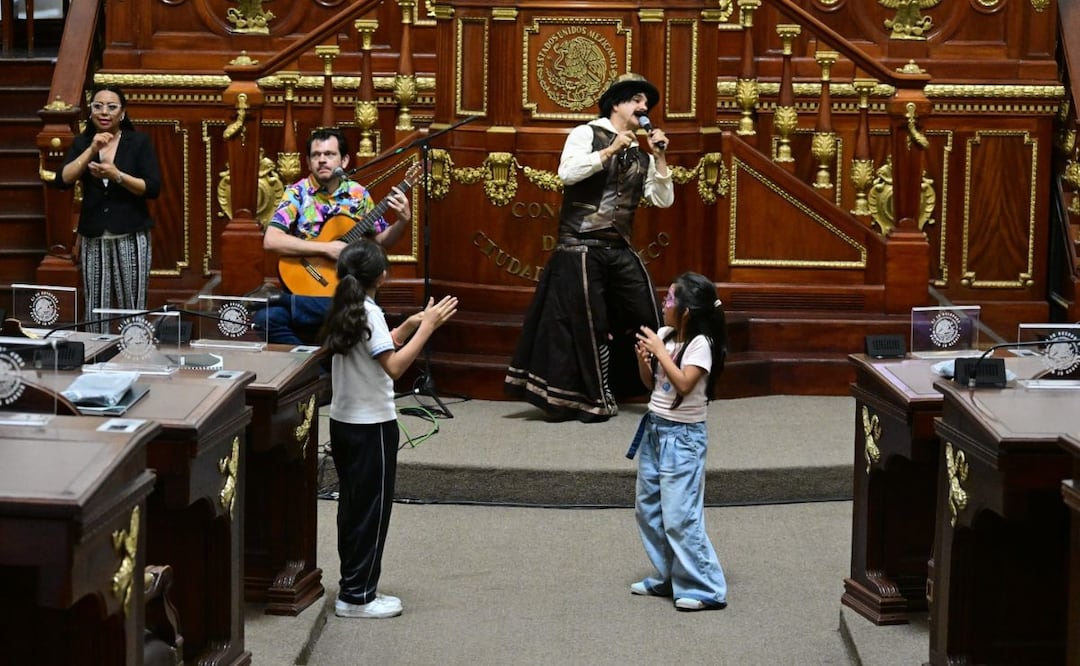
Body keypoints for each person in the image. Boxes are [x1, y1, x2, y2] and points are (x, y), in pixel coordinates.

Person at [504, 73, 673, 423]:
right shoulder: (586, 134)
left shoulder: (642, 154)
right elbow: (567, 173)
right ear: (617, 103)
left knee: (647, 314)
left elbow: (662, 199)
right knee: (590, 322)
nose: (645, 109)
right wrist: (610, 150)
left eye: (647, 104)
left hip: (618, 246)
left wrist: (659, 159)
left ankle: (656, 388)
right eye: (638, 101)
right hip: (579, 246)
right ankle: (594, 396)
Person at [321, 239, 458, 619]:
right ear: (381, 275)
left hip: (344, 423)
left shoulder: (347, 306)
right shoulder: (369, 313)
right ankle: (358, 596)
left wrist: (408, 326)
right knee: (372, 512)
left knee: (353, 508)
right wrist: (426, 328)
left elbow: (378, 347)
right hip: (372, 428)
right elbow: (395, 367)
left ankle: (355, 585)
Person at [628, 272, 728, 612]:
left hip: (683, 439)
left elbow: (684, 384)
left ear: (686, 311)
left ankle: (707, 587)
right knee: (649, 509)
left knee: (680, 515)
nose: (664, 303)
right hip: (655, 430)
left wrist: (660, 352)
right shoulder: (665, 336)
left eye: (670, 299)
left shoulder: (701, 344)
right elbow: (654, 385)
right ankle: (671, 576)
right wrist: (646, 362)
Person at [258, 127, 411, 345]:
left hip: (342, 289)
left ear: (344, 160)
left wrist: (402, 221)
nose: (321, 160)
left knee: (349, 307)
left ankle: (285, 303)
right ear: (309, 162)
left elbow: (380, 242)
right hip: (306, 282)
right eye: (316, 155)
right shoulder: (297, 193)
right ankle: (310, 370)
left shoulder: (358, 194)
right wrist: (325, 248)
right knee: (264, 319)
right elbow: (271, 240)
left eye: (329, 154)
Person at [56, 85, 162, 333]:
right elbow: (63, 179)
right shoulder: (82, 142)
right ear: (91, 112)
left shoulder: (138, 142)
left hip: (131, 233)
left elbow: (152, 188)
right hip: (94, 235)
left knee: (132, 307)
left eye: (112, 107)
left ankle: (135, 359)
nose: (104, 112)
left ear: (122, 113)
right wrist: (92, 149)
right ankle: (96, 364)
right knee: (95, 307)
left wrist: (117, 175)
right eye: (98, 106)